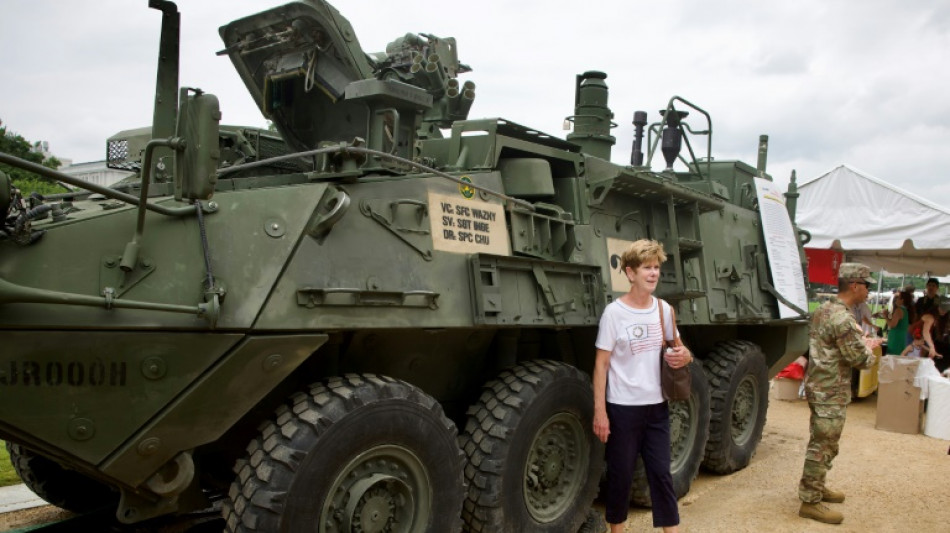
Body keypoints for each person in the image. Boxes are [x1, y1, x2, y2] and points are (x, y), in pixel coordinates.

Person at [593, 239, 692, 533]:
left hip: (657, 408)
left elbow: (680, 348)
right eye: (647, 267)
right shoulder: (614, 313)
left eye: (656, 267)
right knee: (621, 476)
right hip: (623, 409)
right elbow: (601, 365)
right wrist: (600, 412)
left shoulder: (663, 310)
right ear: (630, 272)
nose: (653, 273)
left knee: (661, 474)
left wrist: (686, 355)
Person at [798, 262, 882, 525]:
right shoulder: (843, 319)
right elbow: (860, 360)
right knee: (823, 444)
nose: (868, 290)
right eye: (866, 285)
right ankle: (810, 501)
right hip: (830, 390)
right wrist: (869, 347)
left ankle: (817, 486)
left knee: (824, 441)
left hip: (820, 386)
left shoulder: (824, 309)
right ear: (855, 285)